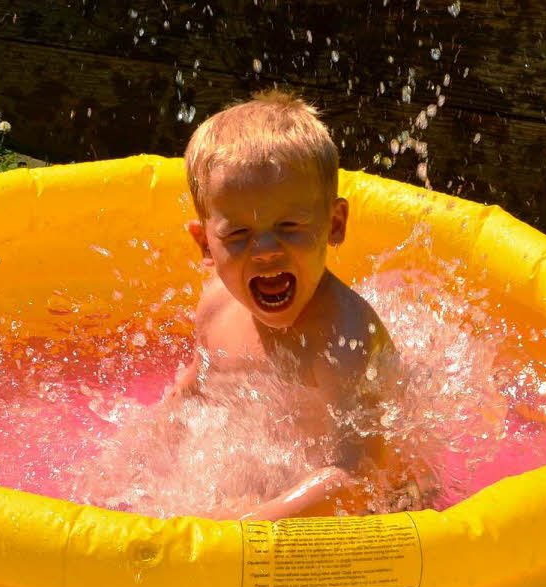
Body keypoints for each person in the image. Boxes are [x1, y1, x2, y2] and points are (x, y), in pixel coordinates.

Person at [168, 90, 405, 521]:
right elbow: (197, 383)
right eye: (237, 234)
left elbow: (361, 474)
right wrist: (150, 443)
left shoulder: (343, 336)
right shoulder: (216, 306)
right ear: (205, 244)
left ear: (334, 225)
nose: (264, 250)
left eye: (289, 226)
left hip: (384, 493)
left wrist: (250, 524)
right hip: (284, 474)